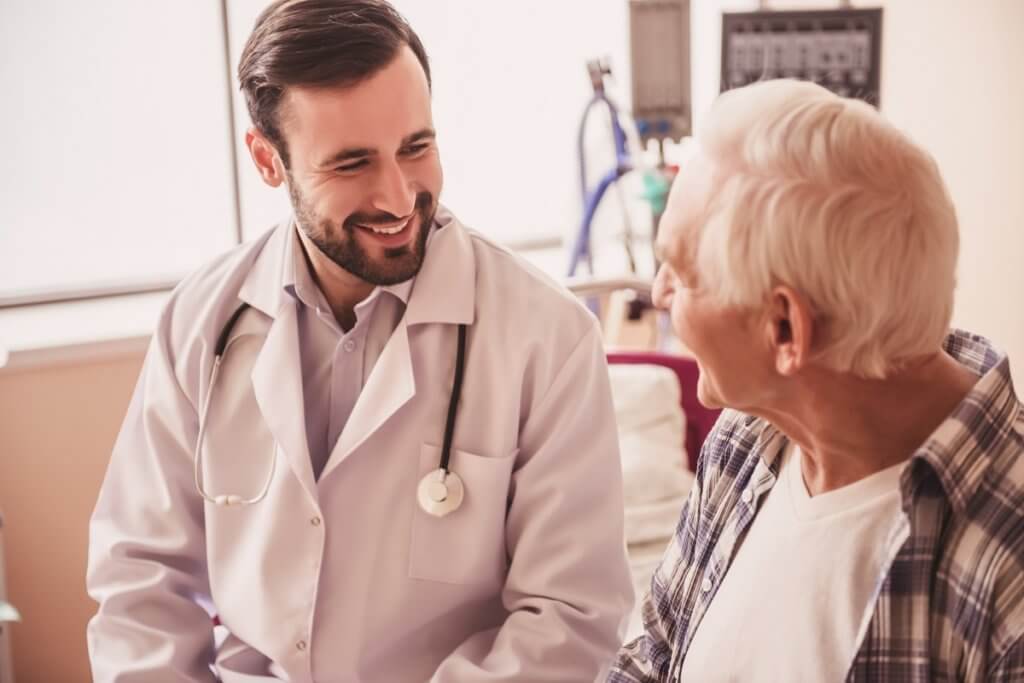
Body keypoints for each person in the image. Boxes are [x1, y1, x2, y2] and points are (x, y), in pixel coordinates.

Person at [87, 1, 633, 680]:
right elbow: (143, 578)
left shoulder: (547, 337)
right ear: (267, 159)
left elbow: (570, 618)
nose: (400, 197)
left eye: (416, 147)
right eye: (352, 165)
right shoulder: (200, 323)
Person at [610, 79, 1024, 682]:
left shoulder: (1005, 576)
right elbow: (652, 656)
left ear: (784, 329)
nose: (660, 293)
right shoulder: (746, 439)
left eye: (680, 268)